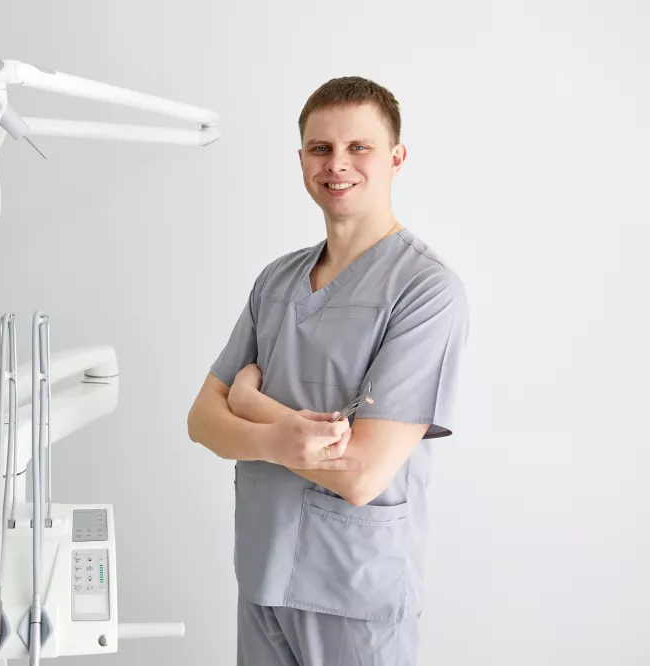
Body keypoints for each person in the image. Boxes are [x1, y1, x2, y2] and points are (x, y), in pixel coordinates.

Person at [186, 76, 470, 665]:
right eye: (321, 148)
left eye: (358, 147)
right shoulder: (276, 281)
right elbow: (202, 421)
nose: (337, 164)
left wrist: (252, 406)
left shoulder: (425, 290)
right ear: (302, 161)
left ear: (396, 158)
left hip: (355, 592)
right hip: (262, 573)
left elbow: (361, 474)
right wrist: (279, 437)